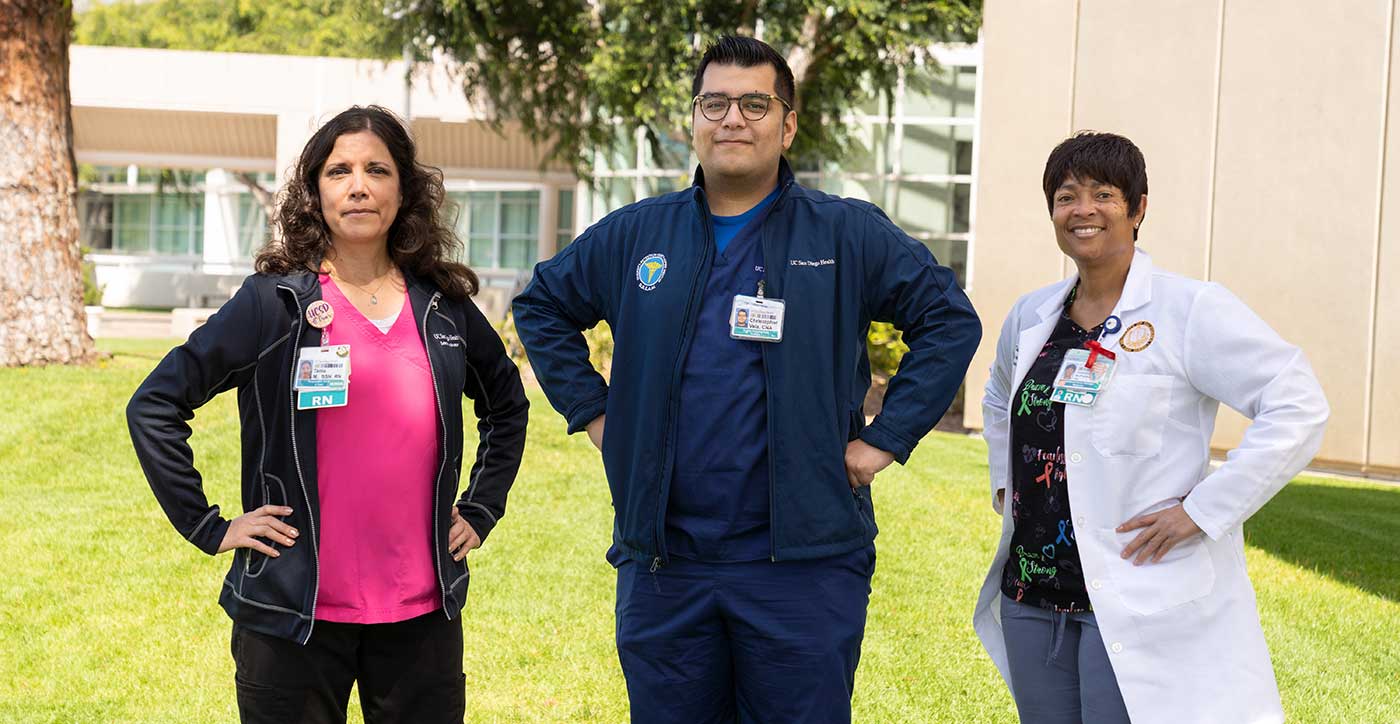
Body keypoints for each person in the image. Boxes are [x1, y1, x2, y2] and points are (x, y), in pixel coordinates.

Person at [513, 36, 981, 723]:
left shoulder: (844, 234)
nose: (733, 119)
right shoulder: (637, 235)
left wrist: (887, 439)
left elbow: (948, 320)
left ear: (787, 124)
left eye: (755, 103)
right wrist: (595, 414)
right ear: (694, 119)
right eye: (716, 102)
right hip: (666, 566)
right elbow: (542, 306)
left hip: (803, 567)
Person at [127, 105, 528, 724]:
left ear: (405, 190)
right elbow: (154, 404)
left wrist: (482, 507)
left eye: (378, 170)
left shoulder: (443, 308)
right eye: (339, 171)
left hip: (421, 616)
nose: (359, 185)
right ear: (315, 192)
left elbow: (507, 404)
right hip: (292, 618)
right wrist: (210, 527)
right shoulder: (275, 304)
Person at [975, 131, 1328, 724]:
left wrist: (1204, 510)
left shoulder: (1188, 309)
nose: (1083, 210)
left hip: (1137, 592)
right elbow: (995, 398)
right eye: (1066, 196)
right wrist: (1007, 485)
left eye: (1103, 194)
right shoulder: (1033, 314)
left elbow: (1297, 403)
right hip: (1032, 592)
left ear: (1138, 210)